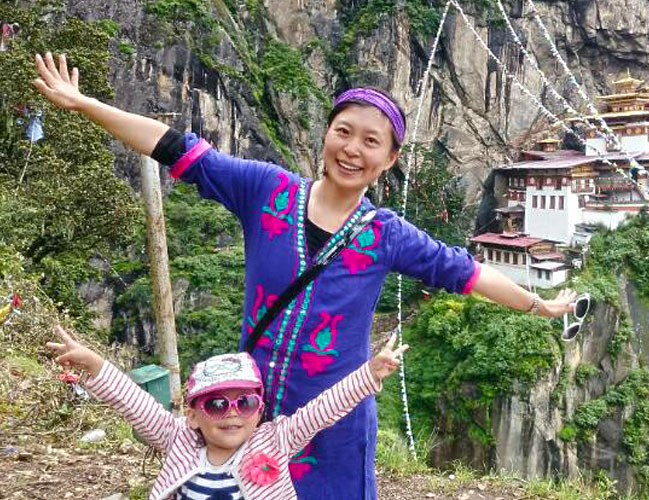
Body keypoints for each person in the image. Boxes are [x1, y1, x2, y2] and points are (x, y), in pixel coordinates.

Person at [33, 52, 578, 498]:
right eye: (344, 131)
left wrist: (539, 304)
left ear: (389, 159)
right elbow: (174, 147)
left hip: (336, 422)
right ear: (326, 134)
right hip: (249, 412)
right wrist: (85, 104)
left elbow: (467, 273)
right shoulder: (266, 190)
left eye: (371, 141)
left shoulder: (387, 234)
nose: (352, 149)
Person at [47, 325, 407, 500]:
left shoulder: (276, 439)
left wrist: (369, 374)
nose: (232, 414)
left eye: (244, 402)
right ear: (193, 415)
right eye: (216, 404)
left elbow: (323, 409)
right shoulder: (179, 439)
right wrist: (95, 366)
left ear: (259, 409)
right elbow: (133, 402)